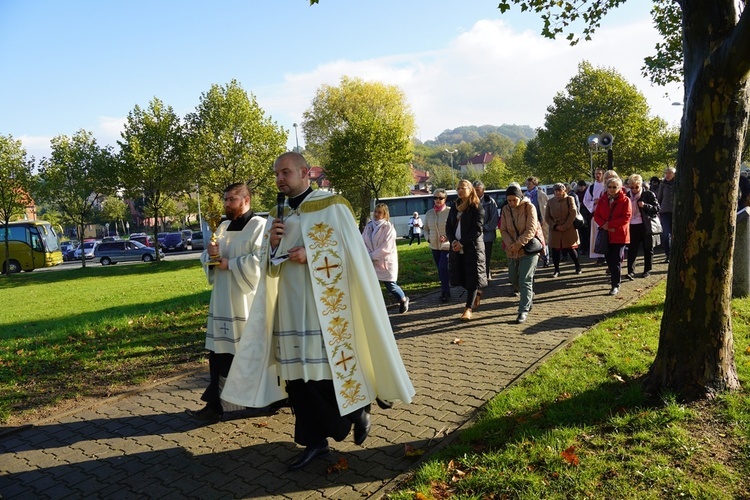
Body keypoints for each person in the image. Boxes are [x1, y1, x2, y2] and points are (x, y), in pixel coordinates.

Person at [221, 152, 414, 472]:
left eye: (286, 172)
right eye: (276, 174)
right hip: (289, 308)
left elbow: (352, 252)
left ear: (305, 172)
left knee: (324, 372)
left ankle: (356, 411)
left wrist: (311, 252)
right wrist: (271, 245)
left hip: (326, 307)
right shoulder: (276, 212)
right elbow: (267, 268)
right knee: (297, 379)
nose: (280, 178)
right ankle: (316, 443)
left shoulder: (332, 205)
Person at [186, 183, 265, 422]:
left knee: (247, 355)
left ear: (246, 200)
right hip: (221, 301)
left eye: (232, 199)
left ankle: (268, 400)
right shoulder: (222, 226)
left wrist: (228, 263)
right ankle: (215, 405)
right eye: (225, 199)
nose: (227, 204)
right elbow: (210, 257)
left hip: (245, 302)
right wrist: (209, 255)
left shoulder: (259, 226)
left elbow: (260, 262)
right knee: (218, 353)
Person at [446, 180, 487, 321]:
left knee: (472, 278)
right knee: (461, 278)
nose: (459, 190)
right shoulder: (454, 206)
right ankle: (476, 293)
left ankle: (468, 308)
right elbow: (448, 227)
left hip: (472, 249)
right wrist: (453, 241)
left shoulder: (477, 207)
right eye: (458, 188)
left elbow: (477, 230)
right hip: (456, 248)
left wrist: (462, 243)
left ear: (470, 190)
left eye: (463, 188)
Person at [499, 184, 539, 324]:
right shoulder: (505, 209)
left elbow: (531, 229)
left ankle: (523, 310)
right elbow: (503, 229)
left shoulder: (529, 207)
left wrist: (517, 244)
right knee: (514, 279)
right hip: (511, 250)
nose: (511, 203)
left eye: (514, 200)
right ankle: (528, 296)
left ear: (520, 197)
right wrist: (510, 244)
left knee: (525, 280)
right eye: (508, 200)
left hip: (528, 249)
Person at [363, 203, 410, 313]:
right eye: (375, 211)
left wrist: (371, 255)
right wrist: (367, 253)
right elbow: (363, 241)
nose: (377, 214)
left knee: (391, 286)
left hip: (385, 262)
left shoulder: (389, 228)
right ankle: (376, 309)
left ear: (385, 214)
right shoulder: (369, 226)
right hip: (371, 261)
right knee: (372, 285)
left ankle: (403, 300)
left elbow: (386, 248)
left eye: (380, 212)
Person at [594, 176, 632, 295]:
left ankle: (615, 284)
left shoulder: (625, 200)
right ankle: (614, 279)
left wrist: (610, 224)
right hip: (606, 235)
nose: (611, 189)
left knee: (616, 260)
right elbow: (596, 215)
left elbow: (626, 217)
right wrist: (604, 225)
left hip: (619, 235)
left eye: (614, 187)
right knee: (609, 260)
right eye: (609, 187)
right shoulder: (603, 199)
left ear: (619, 187)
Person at [625, 174, 660, 280]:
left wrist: (645, 206)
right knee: (632, 249)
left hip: (645, 224)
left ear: (641, 185)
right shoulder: (627, 195)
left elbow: (657, 208)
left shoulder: (648, 194)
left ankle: (647, 270)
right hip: (632, 225)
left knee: (648, 248)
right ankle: (631, 271)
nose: (634, 189)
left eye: (637, 187)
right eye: (632, 187)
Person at [544, 182, 581, 277]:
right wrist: (555, 226)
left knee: (571, 249)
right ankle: (556, 270)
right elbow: (547, 217)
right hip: (555, 229)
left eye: (559, 190)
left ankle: (578, 266)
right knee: (555, 250)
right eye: (555, 191)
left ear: (564, 190)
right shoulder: (550, 201)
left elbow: (573, 213)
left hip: (568, 228)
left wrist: (565, 226)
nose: (557, 193)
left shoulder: (570, 199)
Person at [424, 188, 452, 302]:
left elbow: (454, 228)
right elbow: (425, 229)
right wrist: (428, 238)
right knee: (440, 270)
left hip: (446, 245)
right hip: (434, 246)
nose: (437, 200)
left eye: (440, 198)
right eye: (435, 198)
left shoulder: (450, 211)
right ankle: (445, 289)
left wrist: (447, 237)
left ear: (445, 199)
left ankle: (445, 292)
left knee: (443, 267)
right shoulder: (429, 213)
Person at [473, 180, 498, 281]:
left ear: (483, 190)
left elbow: (494, 218)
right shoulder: (471, 201)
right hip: (474, 235)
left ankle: (486, 274)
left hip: (487, 235)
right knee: (476, 257)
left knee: (486, 256)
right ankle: (479, 276)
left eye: (478, 190)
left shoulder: (490, 201)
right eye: (474, 190)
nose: (476, 193)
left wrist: (484, 228)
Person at [583, 168, 606, 264]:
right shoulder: (591, 187)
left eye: (599, 174)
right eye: (596, 174)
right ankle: (599, 256)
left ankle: (607, 255)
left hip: (607, 215)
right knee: (596, 236)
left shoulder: (607, 185)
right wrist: (594, 202)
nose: (597, 175)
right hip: (596, 215)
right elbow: (586, 200)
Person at [526, 177, 549, 267]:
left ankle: (545, 258)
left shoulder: (541, 194)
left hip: (540, 220)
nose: (527, 186)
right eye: (527, 184)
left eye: (529, 184)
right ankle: (535, 258)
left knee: (543, 239)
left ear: (534, 184)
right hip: (531, 221)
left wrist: (543, 219)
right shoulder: (525, 196)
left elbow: (545, 208)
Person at [657, 167, 676, 263]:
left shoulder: (678, 184)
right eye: (666, 173)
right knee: (666, 234)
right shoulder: (663, 184)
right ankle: (668, 254)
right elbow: (659, 198)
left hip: (675, 212)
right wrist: (658, 210)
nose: (668, 175)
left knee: (674, 233)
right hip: (664, 212)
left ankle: (675, 253)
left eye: (670, 173)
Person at [575, 180, 590, 254]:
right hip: (579, 213)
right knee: (581, 232)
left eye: (582, 186)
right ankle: (582, 248)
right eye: (579, 186)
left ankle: (586, 247)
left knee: (586, 232)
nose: (581, 188)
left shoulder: (587, 192)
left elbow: (587, 201)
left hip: (586, 213)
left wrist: (582, 204)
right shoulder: (576, 193)